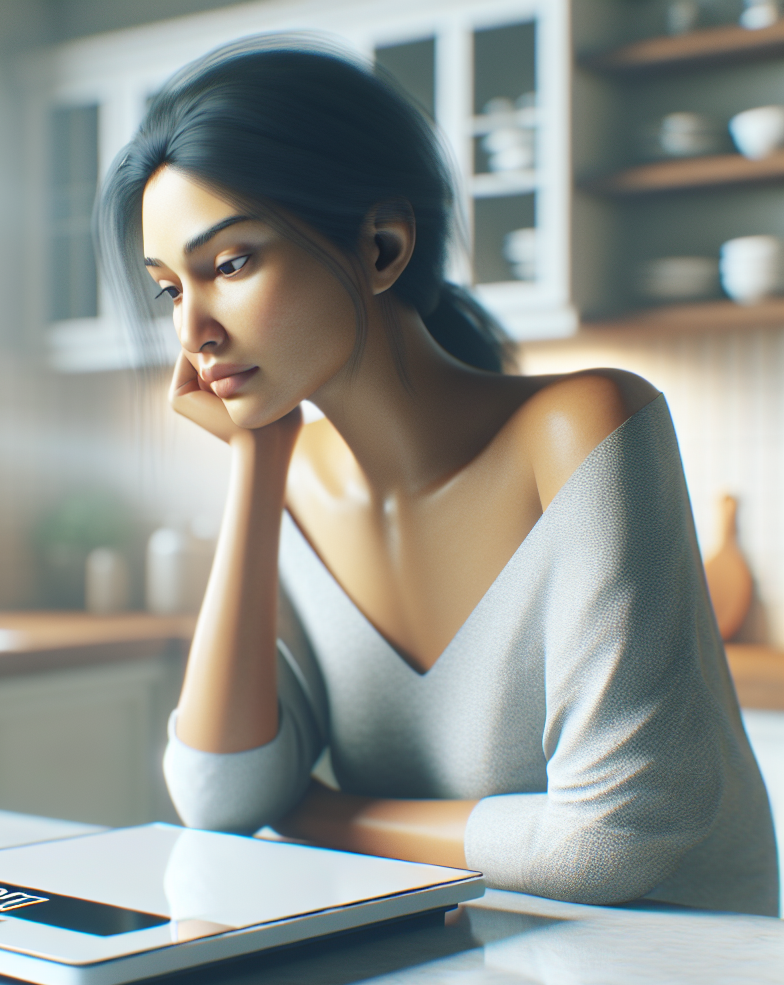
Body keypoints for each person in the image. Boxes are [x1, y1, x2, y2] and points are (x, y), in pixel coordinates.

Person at [99, 38, 778, 915]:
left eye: (230, 264)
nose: (194, 331)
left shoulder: (584, 428)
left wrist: (320, 815)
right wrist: (258, 464)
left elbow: (614, 842)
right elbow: (221, 798)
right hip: (464, 974)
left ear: (380, 247)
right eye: (169, 290)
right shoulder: (290, 483)